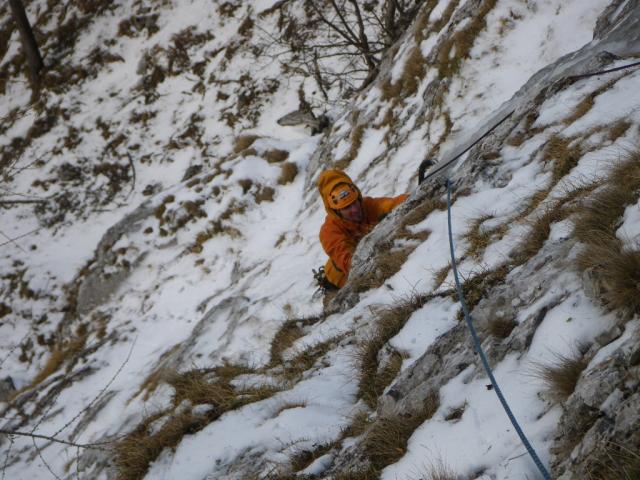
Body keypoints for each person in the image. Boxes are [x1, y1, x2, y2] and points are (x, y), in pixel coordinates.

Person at [316, 169, 408, 291]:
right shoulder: (329, 231)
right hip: (339, 286)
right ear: (336, 211)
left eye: (354, 203)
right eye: (347, 207)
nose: (354, 209)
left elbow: (392, 204)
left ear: (358, 197)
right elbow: (350, 264)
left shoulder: (367, 205)